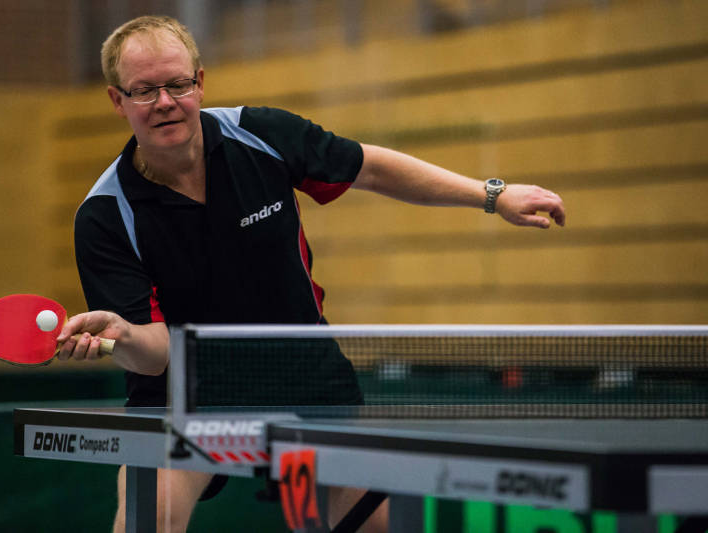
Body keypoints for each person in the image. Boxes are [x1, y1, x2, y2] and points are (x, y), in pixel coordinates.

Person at [55, 15, 565, 533]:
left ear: (200, 82)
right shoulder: (105, 215)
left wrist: (492, 195)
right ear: (118, 101)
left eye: (178, 84)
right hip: (186, 397)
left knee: (381, 526)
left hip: (302, 373)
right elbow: (155, 351)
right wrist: (122, 338)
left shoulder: (262, 135)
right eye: (143, 91)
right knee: (147, 521)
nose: (165, 102)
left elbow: (371, 167)